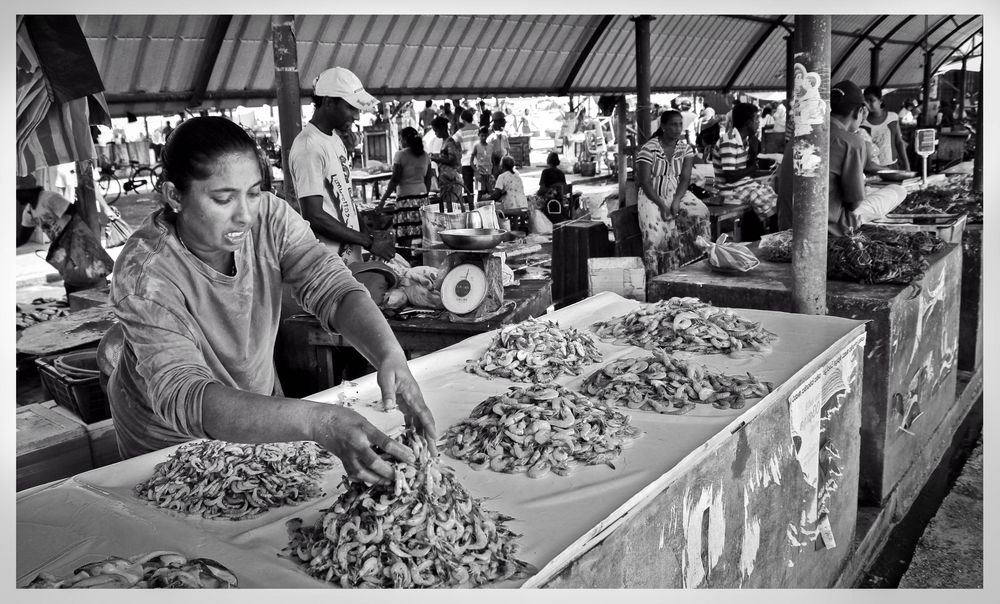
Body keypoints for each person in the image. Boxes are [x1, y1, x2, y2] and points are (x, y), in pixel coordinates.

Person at [104, 116, 437, 481]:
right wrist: (317, 421)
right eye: (223, 198)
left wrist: (390, 356)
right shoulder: (146, 274)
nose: (245, 214)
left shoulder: (269, 217)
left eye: (253, 191)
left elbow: (331, 286)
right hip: (168, 443)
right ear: (173, 196)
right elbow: (187, 394)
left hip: (255, 416)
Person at [289, 67, 393, 265]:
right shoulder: (308, 146)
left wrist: (368, 234)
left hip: (348, 258)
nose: (356, 116)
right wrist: (368, 241)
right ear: (328, 102)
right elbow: (315, 215)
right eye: (351, 108)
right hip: (327, 264)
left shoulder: (334, 139)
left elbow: (345, 197)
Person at [776, 80, 905, 234]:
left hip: (787, 225)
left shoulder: (799, 135)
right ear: (858, 111)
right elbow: (854, 204)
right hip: (828, 229)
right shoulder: (851, 142)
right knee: (898, 191)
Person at [635, 110, 710, 278]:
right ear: (663, 126)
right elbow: (644, 182)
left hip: (676, 191)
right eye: (673, 124)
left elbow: (685, 178)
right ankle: (656, 277)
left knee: (701, 211)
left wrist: (676, 201)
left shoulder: (685, 149)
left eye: (680, 124)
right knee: (655, 234)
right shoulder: (649, 149)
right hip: (651, 195)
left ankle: (691, 264)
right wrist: (662, 205)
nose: (678, 128)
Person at [17, 175, 116, 296]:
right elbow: (23, 237)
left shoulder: (49, 198)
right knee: (73, 282)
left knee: (93, 277)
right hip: (64, 250)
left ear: (27, 191)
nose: (16, 197)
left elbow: (73, 212)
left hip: (78, 243)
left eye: (18, 192)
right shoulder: (28, 212)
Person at [710, 102, 777, 220]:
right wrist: (753, 168)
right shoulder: (728, 141)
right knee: (764, 199)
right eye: (756, 119)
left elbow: (748, 170)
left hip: (741, 185)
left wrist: (753, 149)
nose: (759, 122)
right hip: (729, 190)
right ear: (748, 122)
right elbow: (730, 176)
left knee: (771, 194)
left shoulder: (745, 140)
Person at [377, 127, 432, 209]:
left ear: (405, 140)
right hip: (423, 198)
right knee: (421, 222)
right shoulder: (425, 155)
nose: (400, 141)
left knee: (407, 222)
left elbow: (395, 180)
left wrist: (383, 200)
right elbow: (428, 179)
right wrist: (425, 195)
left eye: (400, 139)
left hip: (405, 198)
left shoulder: (400, 155)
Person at [862, 86, 910, 171]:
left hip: (892, 166)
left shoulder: (893, 117)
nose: (867, 104)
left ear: (880, 100)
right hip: (872, 169)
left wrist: (907, 165)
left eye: (871, 100)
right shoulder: (862, 122)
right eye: (865, 101)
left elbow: (899, 142)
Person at [429, 116, 465, 211]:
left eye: (436, 131)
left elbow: (453, 160)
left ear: (442, 129)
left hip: (451, 180)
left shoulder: (450, 141)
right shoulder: (445, 141)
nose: (435, 133)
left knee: (452, 208)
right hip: (447, 179)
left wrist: (436, 159)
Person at [453, 109, 480, 196]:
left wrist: (459, 150)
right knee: (480, 185)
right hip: (478, 161)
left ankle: (469, 204)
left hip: (466, 161)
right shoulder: (478, 129)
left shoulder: (461, 132)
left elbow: (451, 141)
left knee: (468, 186)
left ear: (463, 120)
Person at [470, 126, 494, 197]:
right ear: (479, 135)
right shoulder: (476, 146)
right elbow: (471, 162)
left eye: (485, 135)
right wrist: (476, 172)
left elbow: (492, 160)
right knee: (481, 192)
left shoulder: (491, 146)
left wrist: (492, 173)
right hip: (480, 173)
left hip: (489, 173)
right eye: (482, 136)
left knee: (490, 192)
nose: (483, 137)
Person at [487, 112, 511, 179]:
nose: (504, 124)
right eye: (502, 122)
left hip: (503, 161)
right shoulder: (489, 133)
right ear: (496, 122)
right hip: (493, 162)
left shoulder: (504, 133)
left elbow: (507, 148)